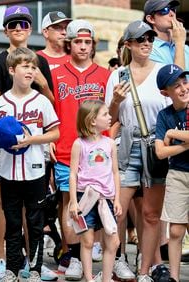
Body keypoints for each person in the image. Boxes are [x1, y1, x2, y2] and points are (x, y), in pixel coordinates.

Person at [0, 6, 54, 280]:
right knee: (4, 203)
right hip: (8, 148)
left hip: (36, 147)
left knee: (34, 209)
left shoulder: (41, 61)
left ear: (30, 28)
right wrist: (6, 135)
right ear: (5, 29)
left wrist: (42, 83)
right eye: (12, 24)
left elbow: (49, 101)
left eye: (24, 23)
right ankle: (3, 259)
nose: (18, 28)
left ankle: (33, 263)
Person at [105, 20, 169, 281]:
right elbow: (110, 118)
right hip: (128, 145)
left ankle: (146, 269)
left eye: (150, 39)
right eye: (140, 39)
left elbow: (175, 105)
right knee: (116, 210)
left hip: (156, 145)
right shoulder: (118, 75)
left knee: (151, 213)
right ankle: (118, 260)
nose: (146, 43)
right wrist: (116, 101)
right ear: (129, 44)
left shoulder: (163, 71)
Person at [51, 19, 110, 280]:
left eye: (87, 42)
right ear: (69, 43)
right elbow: (49, 110)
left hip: (99, 151)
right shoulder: (56, 73)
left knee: (100, 204)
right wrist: (50, 137)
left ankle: (90, 249)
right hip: (66, 148)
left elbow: (112, 114)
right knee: (70, 203)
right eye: (78, 41)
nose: (83, 46)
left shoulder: (105, 75)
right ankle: (72, 254)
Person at [68, 100, 121, 282]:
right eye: (105, 114)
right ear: (92, 120)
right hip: (86, 197)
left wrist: (117, 199)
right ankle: (90, 278)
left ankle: (106, 278)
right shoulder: (79, 144)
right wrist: (74, 201)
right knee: (88, 240)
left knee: (112, 240)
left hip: (106, 198)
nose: (109, 117)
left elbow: (115, 172)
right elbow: (73, 174)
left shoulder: (110, 143)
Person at [154, 64, 189, 282]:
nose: (184, 88)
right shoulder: (164, 114)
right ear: (165, 92)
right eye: (176, 86)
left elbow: (167, 143)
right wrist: (185, 145)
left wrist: (173, 133)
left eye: (185, 82)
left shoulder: (169, 124)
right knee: (175, 231)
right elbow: (159, 152)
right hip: (177, 174)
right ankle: (174, 277)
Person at [143, 0, 188, 69]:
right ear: (151, 19)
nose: (172, 14)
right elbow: (177, 79)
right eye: (165, 10)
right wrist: (179, 43)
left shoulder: (185, 48)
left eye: (173, 9)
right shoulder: (149, 50)